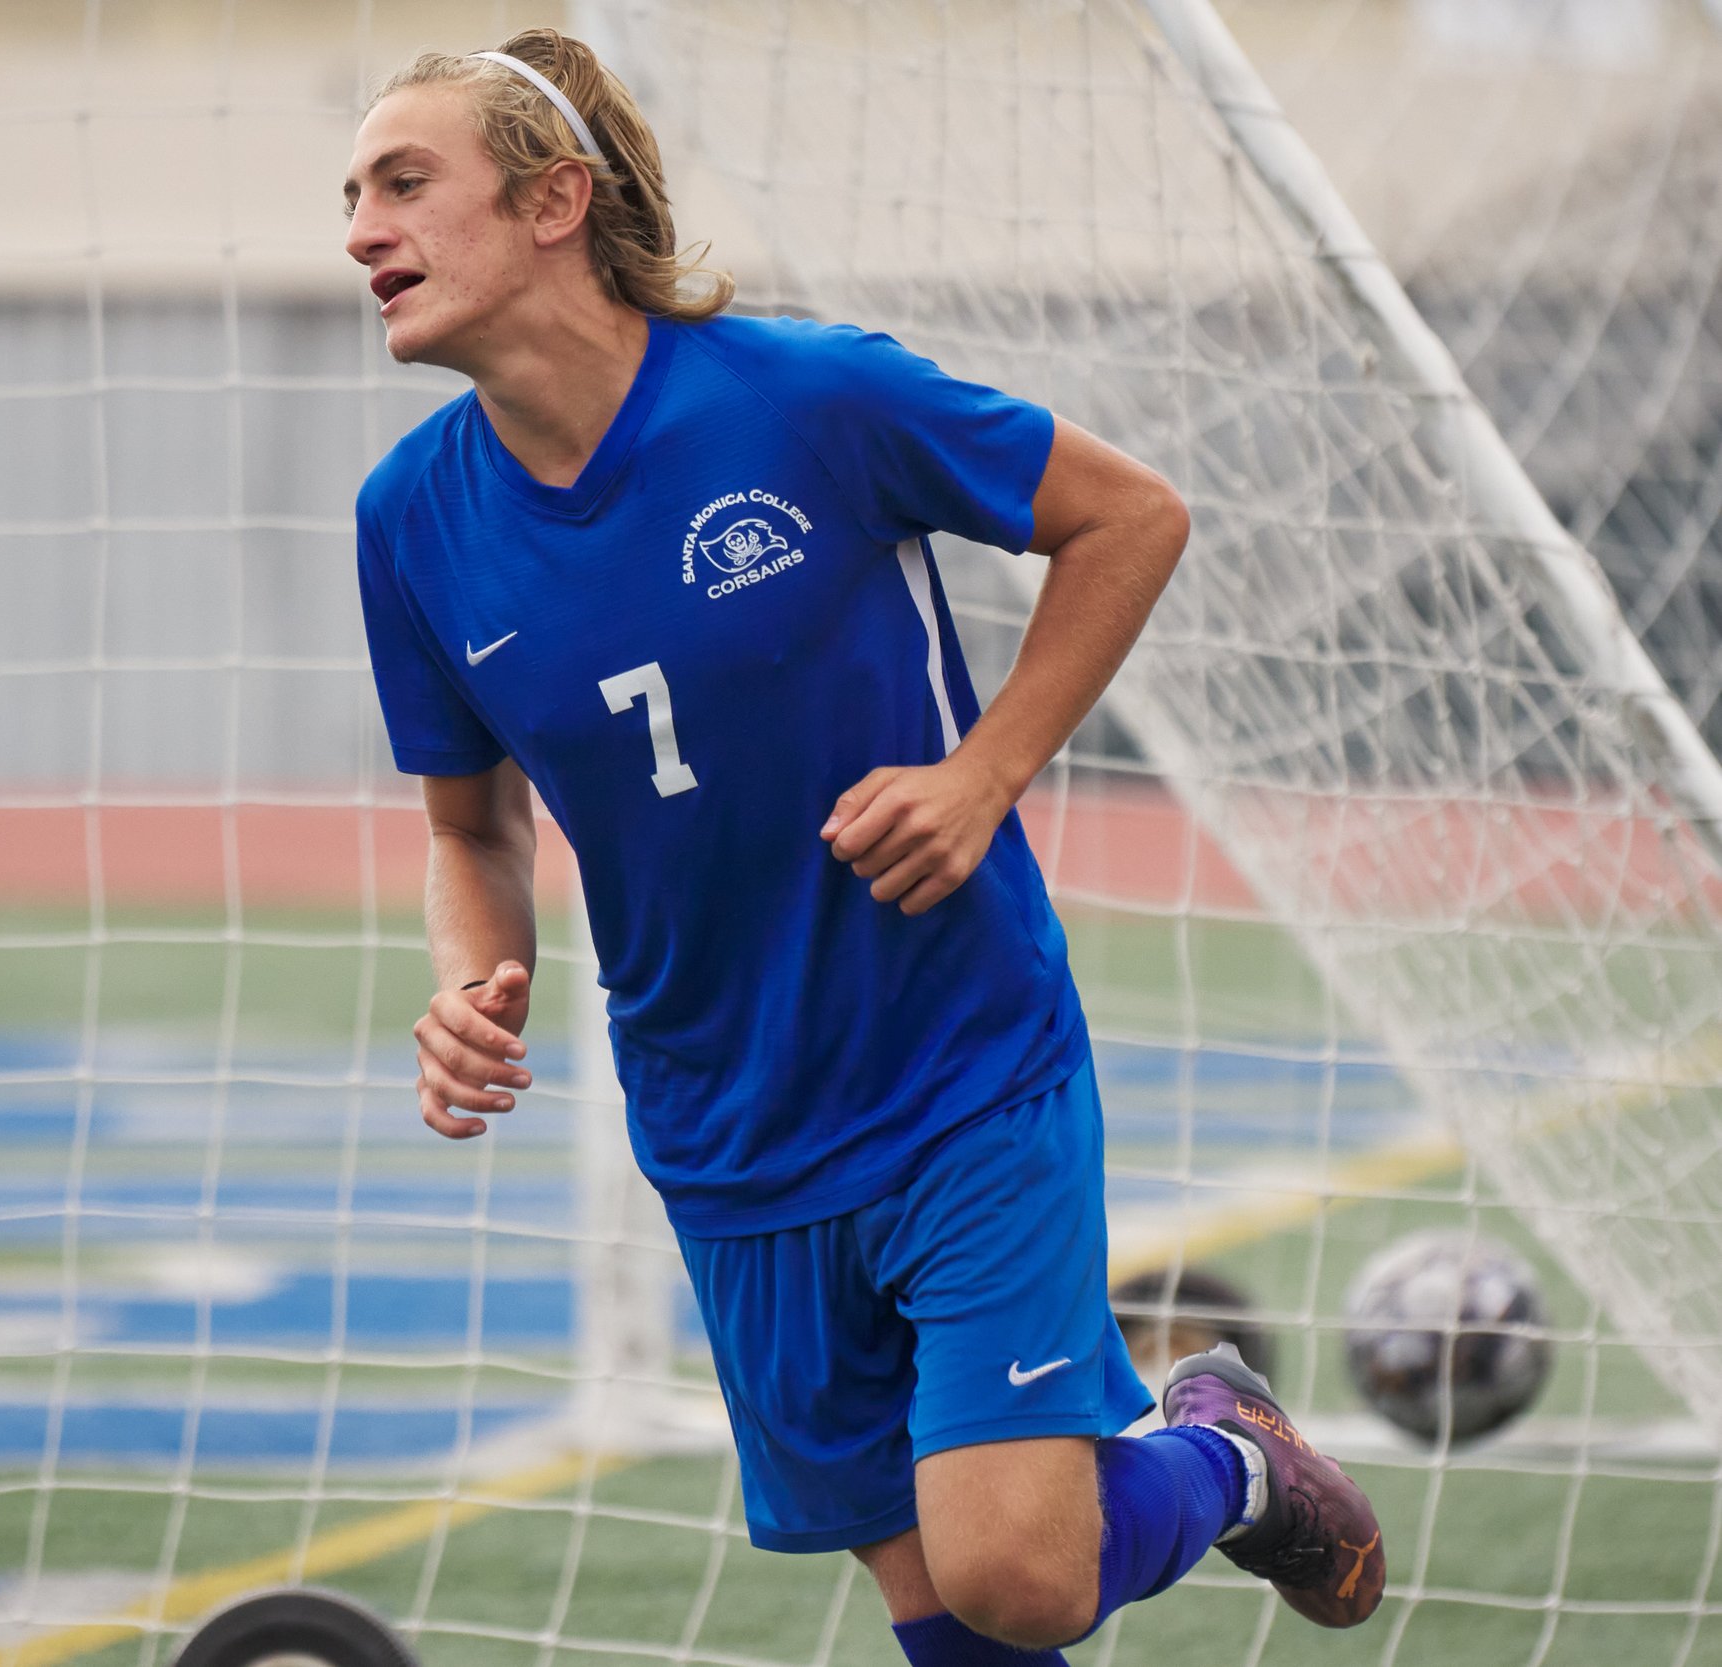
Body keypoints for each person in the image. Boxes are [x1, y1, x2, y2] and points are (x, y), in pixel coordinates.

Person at [343, 29, 1384, 1664]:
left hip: (958, 1061)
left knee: (1016, 1573)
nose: (358, 230)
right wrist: (479, 976)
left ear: (555, 201)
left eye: (404, 182)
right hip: (726, 1122)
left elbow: (1132, 518)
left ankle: (1234, 1458)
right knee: (944, 1607)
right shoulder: (406, 519)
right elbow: (471, 827)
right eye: (351, 194)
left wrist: (984, 770)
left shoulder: (804, 396)